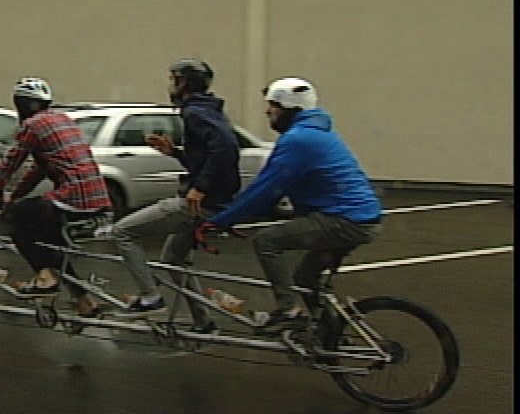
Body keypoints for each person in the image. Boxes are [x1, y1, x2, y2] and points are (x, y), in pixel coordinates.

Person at [204, 77, 383, 326]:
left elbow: (267, 189)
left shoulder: (299, 140)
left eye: (273, 106)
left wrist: (219, 222)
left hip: (344, 220)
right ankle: (327, 334)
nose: (268, 111)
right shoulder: (317, 132)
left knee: (267, 241)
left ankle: (288, 311)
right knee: (305, 279)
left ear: (290, 109)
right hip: (357, 217)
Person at [112, 59, 241, 333]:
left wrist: (201, 187)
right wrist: (177, 153)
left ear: (184, 83)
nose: (170, 86)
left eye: (174, 80)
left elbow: (227, 147)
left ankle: (151, 298)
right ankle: (203, 322)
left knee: (123, 232)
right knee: (173, 259)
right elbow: (210, 154)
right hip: (214, 202)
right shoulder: (207, 110)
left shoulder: (194, 112)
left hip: (199, 204)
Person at [0, 77, 112, 317]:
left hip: (73, 197)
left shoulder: (32, 126)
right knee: (52, 247)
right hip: (98, 197)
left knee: (15, 218)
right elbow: (38, 170)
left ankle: (45, 279)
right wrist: (15, 195)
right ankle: (85, 301)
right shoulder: (62, 119)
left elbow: (7, 167)